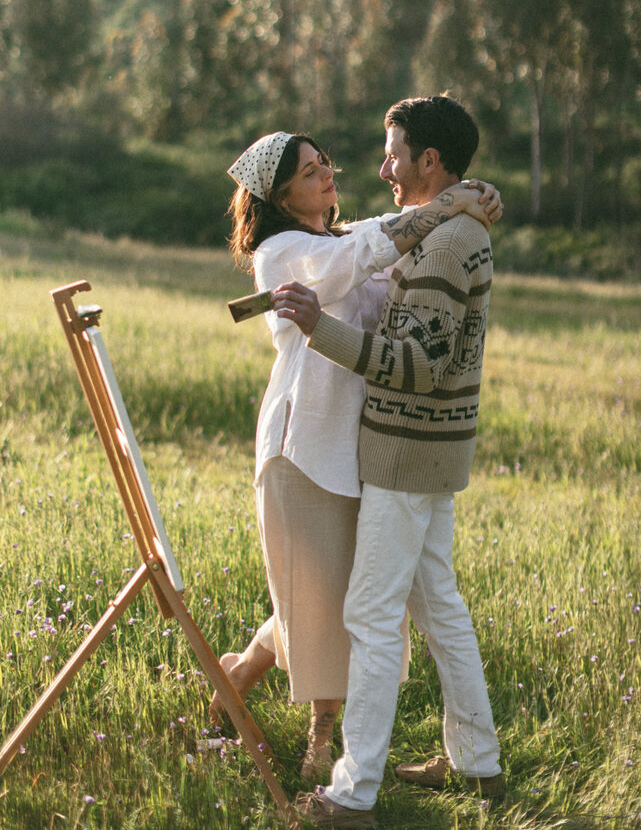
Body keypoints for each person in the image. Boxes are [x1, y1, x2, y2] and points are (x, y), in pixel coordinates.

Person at [213, 127, 502, 780]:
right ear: (280, 193)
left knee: (332, 590)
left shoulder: (346, 237)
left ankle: (241, 669)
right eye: (311, 170)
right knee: (316, 593)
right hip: (303, 442)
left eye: (324, 163)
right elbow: (363, 255)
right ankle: (323, 735)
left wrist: (463, 196)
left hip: (364, 445)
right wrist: (448, 204)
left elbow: (384, 235)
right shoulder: (281, 252)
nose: (327, 175)